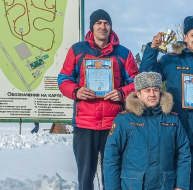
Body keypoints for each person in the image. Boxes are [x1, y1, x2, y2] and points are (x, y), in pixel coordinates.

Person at [140, 16, 193, 190]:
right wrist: (152, 49)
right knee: (167, 177)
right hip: (171, 126)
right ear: (185, 37)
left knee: (191, 180)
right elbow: (147, 76)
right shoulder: (171, 59)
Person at [57, 9, 139, 190]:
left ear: (111, 27)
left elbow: (136, 82)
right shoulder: (77, 50)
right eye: (99, 23)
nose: (103, 27)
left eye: (106, 23)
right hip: (85, 123)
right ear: (92, 27)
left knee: (112, 172)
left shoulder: (123, 53)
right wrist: (76, 91)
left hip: (114, 124)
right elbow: (63, 79)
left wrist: (122, 93)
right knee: (85, 175)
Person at [104, 71, 191, 190]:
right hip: (133, 186)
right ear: (138, 94)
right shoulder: (124, 120)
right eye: (147, 90)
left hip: (165, 185)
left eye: (155, 89)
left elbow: (183, 153)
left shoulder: (172, 119)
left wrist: (181, 185)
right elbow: (111, 157)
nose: (152, 94)